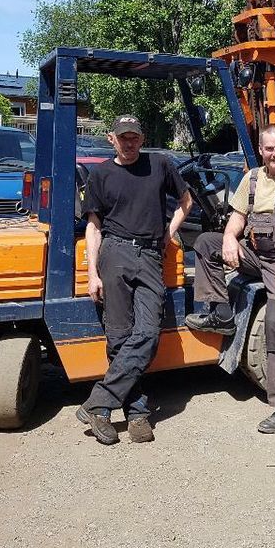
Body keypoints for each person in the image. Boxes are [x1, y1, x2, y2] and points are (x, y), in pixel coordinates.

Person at [184, 124, 275, 434]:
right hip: (256, 255)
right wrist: (230, 239)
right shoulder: (251, 178)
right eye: (269, 148)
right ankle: (221, 315)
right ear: (261, 151)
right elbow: (237, 215)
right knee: (207, 242)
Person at [76, 115, 192, 445]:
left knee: (149, 332)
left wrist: (169, 232)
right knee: (118, 335)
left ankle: (98, 402)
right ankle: (136, 411)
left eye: (135, 137)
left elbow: (186, 202)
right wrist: (92, 273)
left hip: (151, 255)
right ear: (112, 138)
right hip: (114, 253)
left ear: (142, 139)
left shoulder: (160, 164)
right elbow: (94, 226)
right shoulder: (101, 173)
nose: (129, 143)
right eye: (123, 137)